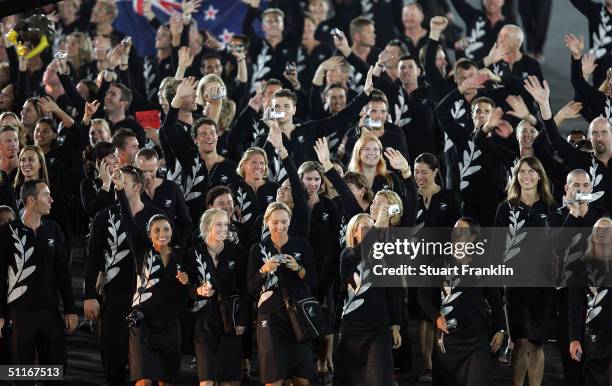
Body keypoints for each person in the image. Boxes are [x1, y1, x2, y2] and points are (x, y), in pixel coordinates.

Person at [84, 164, 164, 385]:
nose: (116, 185)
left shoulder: (156, 217)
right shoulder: (104, 217)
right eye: (115, 180)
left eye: (122, 182)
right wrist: (90, 294)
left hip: (147, 298)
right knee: (113, 358)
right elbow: (93, 258)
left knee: (147, 364)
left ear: (137, 187)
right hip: (115, 296)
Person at [114, 166, 188, 385]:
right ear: (148, 234)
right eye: (156, 230)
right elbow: (127, 220)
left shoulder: (182, 256)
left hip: (170, 323)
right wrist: (119, 191)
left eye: (165, 229)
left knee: (167, 380)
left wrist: (187, 282)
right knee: (144, 380)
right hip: (142, 323)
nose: (162, 234)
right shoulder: (141, 250)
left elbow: (191, 289)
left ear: (172, 231)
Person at [0, 179, 78, 375]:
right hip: (19, 313)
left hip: (50, 311)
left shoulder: (54, 229)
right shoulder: (6, 232)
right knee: (21, 373)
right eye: (46, 195)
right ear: (31, 200)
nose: (51, 199)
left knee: (53, 371)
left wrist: (70, 309)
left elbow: (63, 274)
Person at [419, 217, 506, 386]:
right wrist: (436, 317)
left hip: (477, 338)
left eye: (462, 230)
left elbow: (496, 301)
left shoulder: (484, 265)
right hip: (448, 337)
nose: (456, 233)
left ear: (473, 237)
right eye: (455, 229)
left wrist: (500, 329)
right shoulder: (439, 263)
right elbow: (423, 295)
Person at [493, 156, 556, 386]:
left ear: (540, 175)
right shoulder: (505, 208)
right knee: (519, 342)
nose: (526, 175)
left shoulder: (551, 208)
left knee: (536, 343)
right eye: (522, 171)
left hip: (542, 286)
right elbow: (496, 250)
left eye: (531, 171)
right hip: (514, 285)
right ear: (516, 176)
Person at [247, 202, 317, 385]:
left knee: (302, 379)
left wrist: (298, 268)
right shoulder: (257, 249)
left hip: (299, 317)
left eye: (284, 221)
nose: (280, 226)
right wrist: (263, 270)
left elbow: (314, 281)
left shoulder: (302, 244)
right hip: (270, 317)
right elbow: (251, 288)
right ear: (266, 223)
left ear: (290, 221)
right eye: (275, 222)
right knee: (273, 379)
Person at [334, 210, 401, 386]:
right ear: (354, 232)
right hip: (353, 328)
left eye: (372, 227)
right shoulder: (347, 255)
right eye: (365, 227)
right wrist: (379, 224)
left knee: (380, 379)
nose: (370, 230)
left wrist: (395, 325)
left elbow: (390, 293)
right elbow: (361, 249)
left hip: (379, 327)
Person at [185, 208, 248, 386]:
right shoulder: (193, 254)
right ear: (206, 226)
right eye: (219, 224)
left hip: (231, 321)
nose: (223, 229)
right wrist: (198, 291)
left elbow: (245, 289)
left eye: (226, 225)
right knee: (207, 381)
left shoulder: (236, 251)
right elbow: (186, 290)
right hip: (204, 322)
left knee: (230, 382)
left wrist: (242, 319)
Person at [568, 217, 612, 386]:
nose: (602, 233)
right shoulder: (581, 267)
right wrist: (574, 339)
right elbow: (575, 306)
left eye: (607, 229)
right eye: (598, 230)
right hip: (596, 334)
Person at [135, 148, 193, 248]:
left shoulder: (171, 188)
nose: (148, 176)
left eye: (151, 171)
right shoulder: (132, 192)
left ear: (157, 166)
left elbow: (186, 222)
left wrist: (179, 246)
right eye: (143, 171)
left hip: (171, 248)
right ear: (135, 167)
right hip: (143, 251)